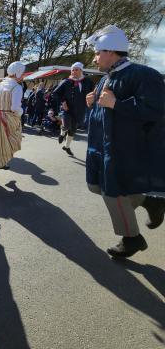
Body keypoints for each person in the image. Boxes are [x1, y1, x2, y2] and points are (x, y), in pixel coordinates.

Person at [85, 25, 165, 258]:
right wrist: (93, 103)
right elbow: (104, 112)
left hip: (125, 150)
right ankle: (149, 202)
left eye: (98, 53)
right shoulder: (106, 78)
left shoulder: (143, 74)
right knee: (95, 186)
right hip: (101, 148)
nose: (95, 57)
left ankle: (132, 238)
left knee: (113, 192)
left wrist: (117, 104)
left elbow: (156, 111)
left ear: (111, 51)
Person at [53, 62, 94, 156]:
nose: (74, 72)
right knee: (66, 125)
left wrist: (91, 101)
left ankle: (66, 147)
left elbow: (92, 93)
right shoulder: (66, 81)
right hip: (67, 109)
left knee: (73, 130)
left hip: (80, 110)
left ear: (81, 71)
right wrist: (63, 102)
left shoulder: (88, 81)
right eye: (72, 70)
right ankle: (62, 134)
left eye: (76, 70)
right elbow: (55, 93)